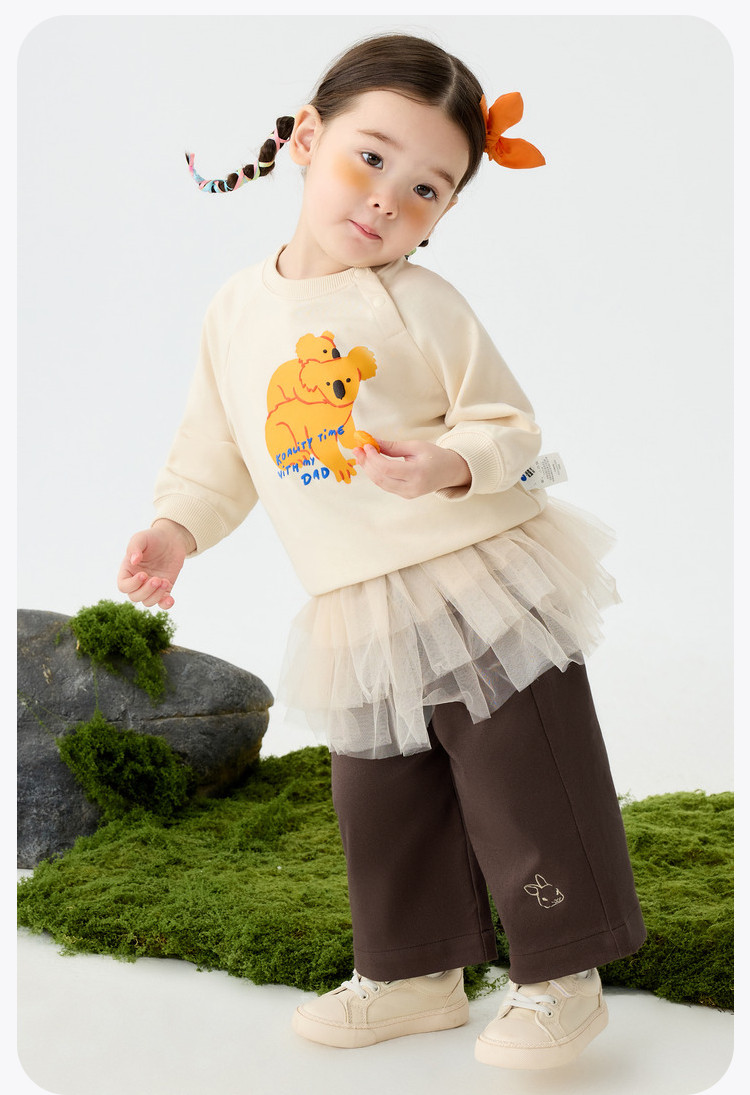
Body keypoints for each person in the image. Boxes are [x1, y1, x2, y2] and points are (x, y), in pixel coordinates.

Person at [117, 32, 646, 1071]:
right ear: (308, 139)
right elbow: (218, 450)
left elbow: (510, 427)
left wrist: (447, 462)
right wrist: (176, 528)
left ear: (444, 214)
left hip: (474, 575)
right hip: (355, 599)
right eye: (371, 158)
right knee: (381, 791)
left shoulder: (418, 303)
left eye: (426, 189)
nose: (386, 201)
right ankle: (413, 971)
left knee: (520, 774)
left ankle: (562, 971)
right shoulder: (236, 310)